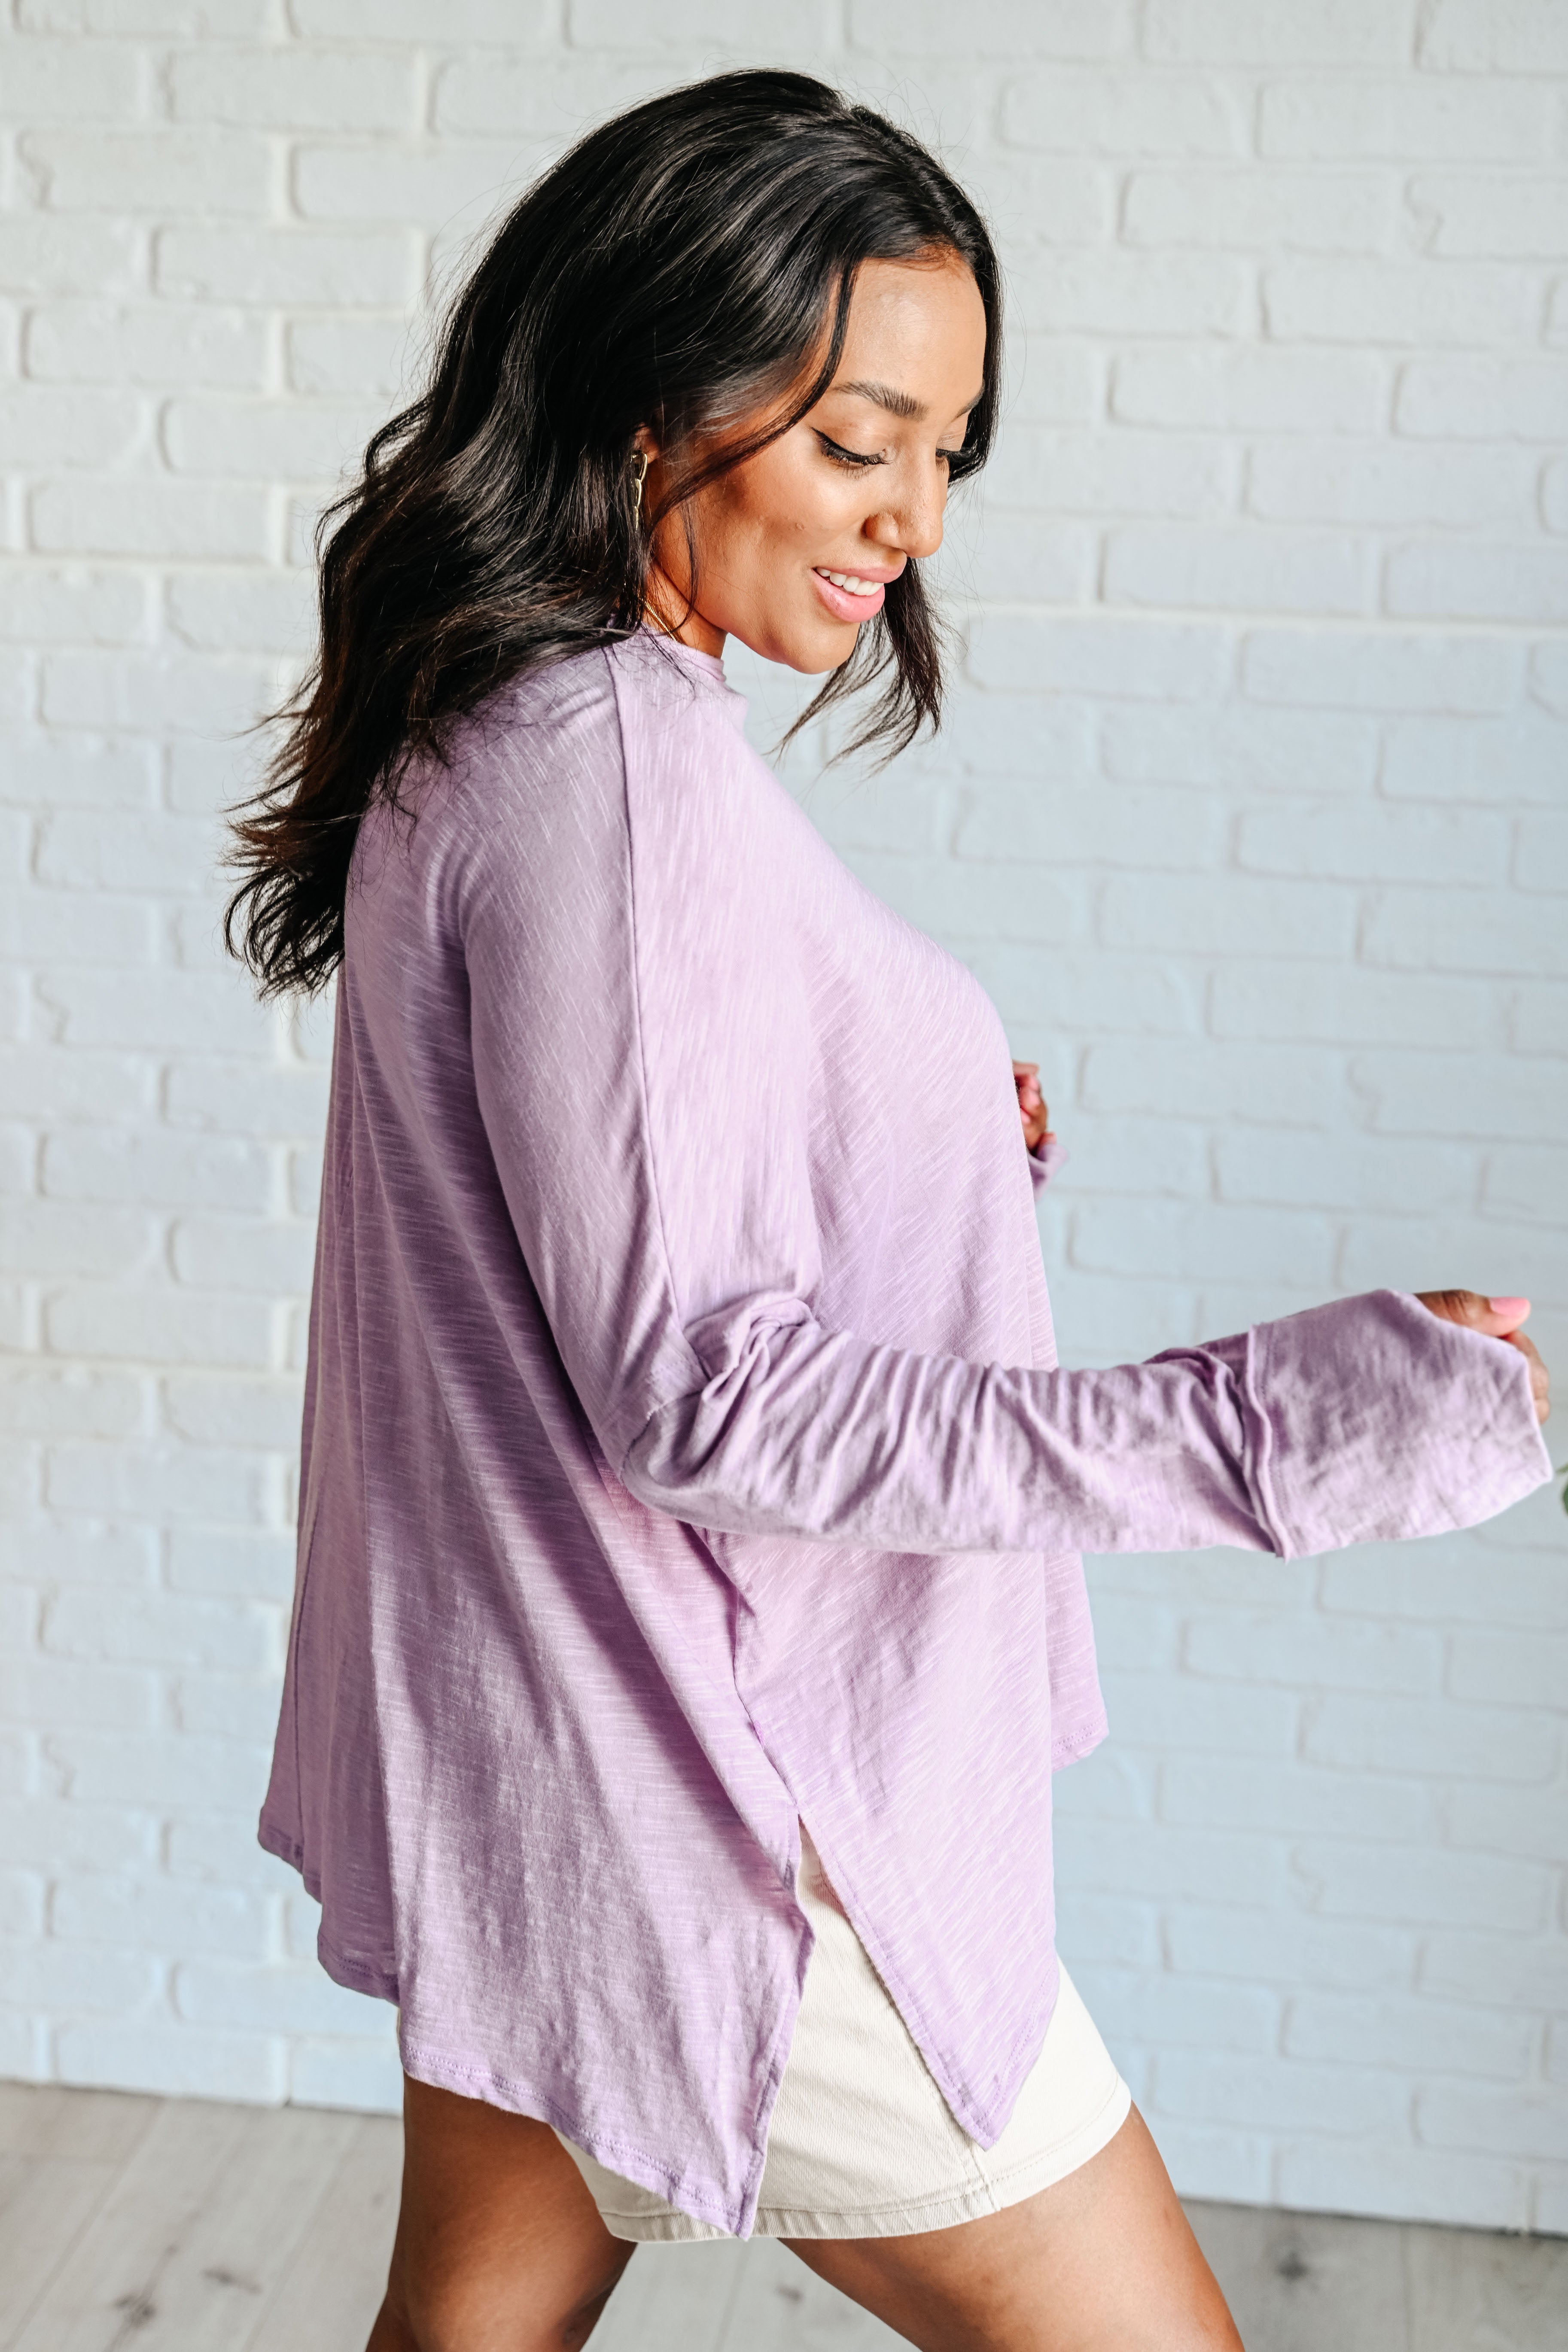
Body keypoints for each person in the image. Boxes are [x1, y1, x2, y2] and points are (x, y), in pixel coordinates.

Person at [226, 70, 1552, 2352]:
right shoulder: (615, 769)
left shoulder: (505, 718)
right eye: (860, 442)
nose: (913, 517)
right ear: (656, 398)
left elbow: (583, 1203)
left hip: (531, 1747)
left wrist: (915, 1122)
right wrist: (1289, 1424)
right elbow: (706, 1395)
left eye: (949, 451)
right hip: (718, 1796)